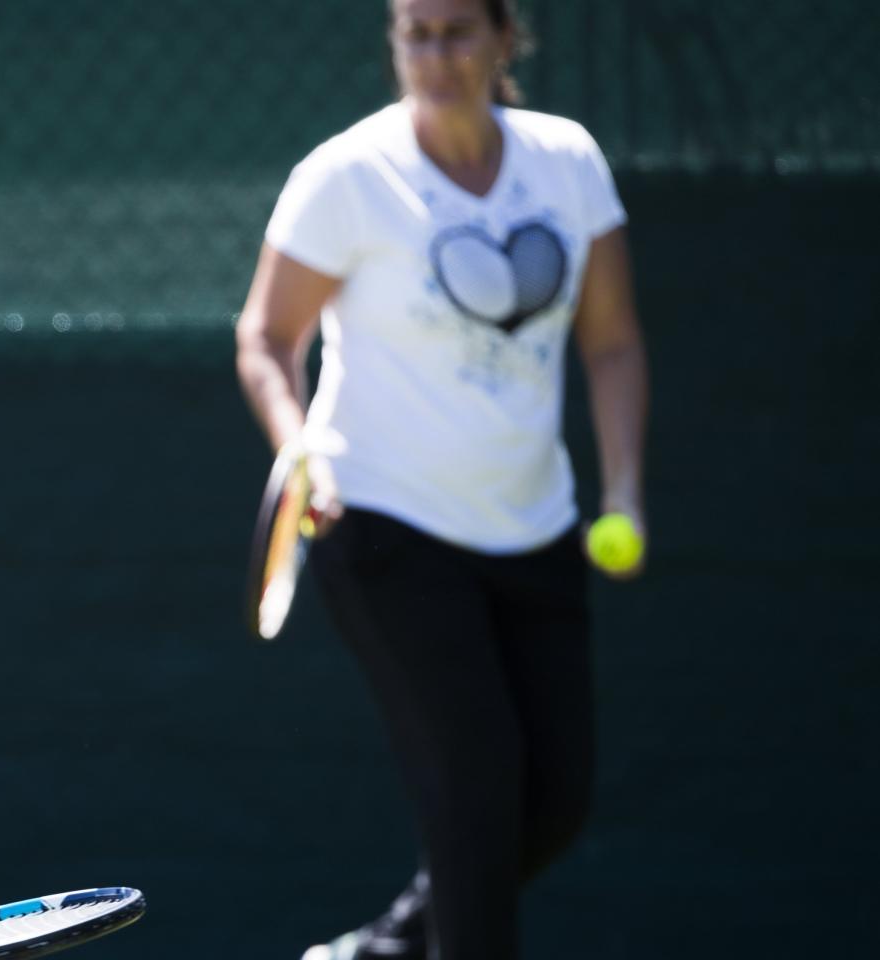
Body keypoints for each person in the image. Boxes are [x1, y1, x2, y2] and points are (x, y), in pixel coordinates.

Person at [233, 1, 648, 958]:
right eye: (415, 34)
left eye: (458, 31)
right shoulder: (346, 177)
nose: (436, 55)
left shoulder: (568, 162)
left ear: (507, 38)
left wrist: (622, 490)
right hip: (385, 527)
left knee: (555, 802)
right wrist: (299, 445)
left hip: (535, 525)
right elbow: (266, 335)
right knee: (477, 797)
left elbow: (615, 341)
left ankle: (380, 952)